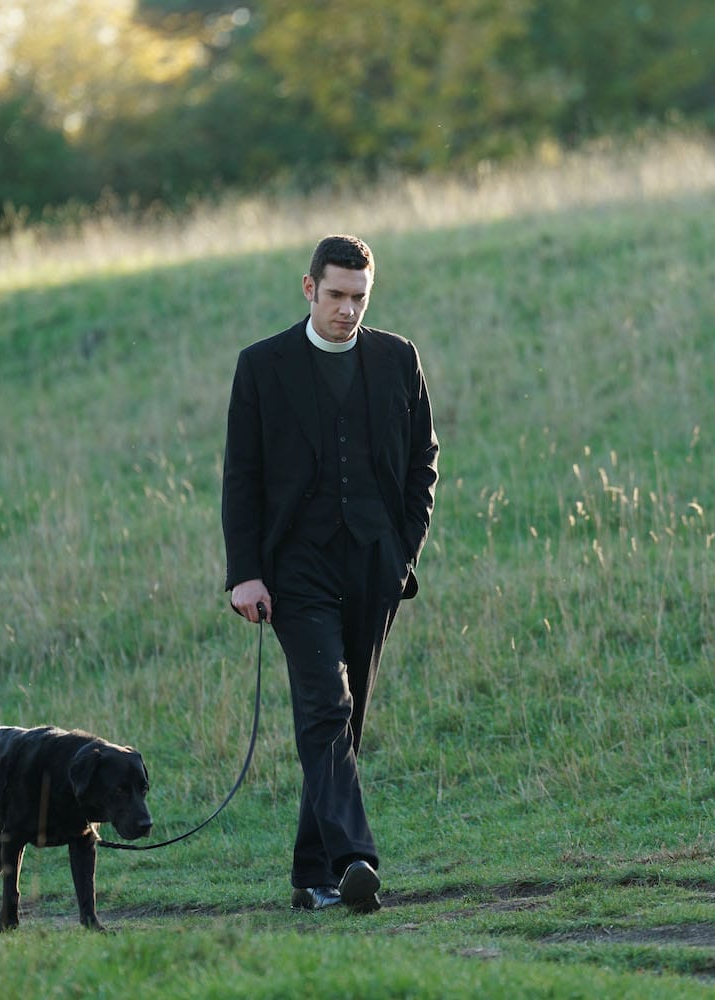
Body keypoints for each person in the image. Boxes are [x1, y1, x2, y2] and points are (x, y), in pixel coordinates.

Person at [221, 234, 438, 913]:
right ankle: (355, 856)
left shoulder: (397, 358)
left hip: (374, 562)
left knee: (348, 720)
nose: (348, 310)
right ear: (309, 288)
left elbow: (422, 462)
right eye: (337, 295)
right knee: (325, 706)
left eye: (360, 298)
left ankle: (312, 875)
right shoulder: (262, 366)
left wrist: (403, 550)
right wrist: (245, 573)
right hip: (295, 567)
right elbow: (242, 478)